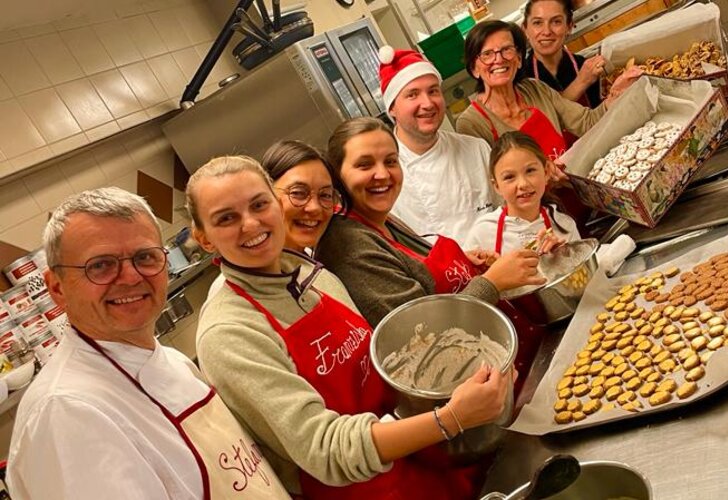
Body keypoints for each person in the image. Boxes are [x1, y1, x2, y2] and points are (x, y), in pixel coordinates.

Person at [188, 154, 513, 500]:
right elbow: (324, 449)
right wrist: (451, 419)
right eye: (226, 218)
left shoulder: (316, 276)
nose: (250, 224)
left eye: (259, 204)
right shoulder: (228, 331)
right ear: (204, 238)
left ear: (275, 202)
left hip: (418, 465)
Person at [7, 187, 289, 499]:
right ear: (56, 288)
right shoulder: (65, 412)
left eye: (145, 257)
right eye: (100, 265)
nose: (130, 277)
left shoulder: (171, 360)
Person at [315, 116, 546, 328]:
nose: (383, 174)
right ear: (337, 175)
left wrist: (464, 264)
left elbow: (415, 274)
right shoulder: (347, 245)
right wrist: (491, 282)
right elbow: (425, 330)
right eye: (364, 165)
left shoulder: (378, 220)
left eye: (391, 161)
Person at [456, 20, 641, 225]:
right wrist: (540, 180)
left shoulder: (535, 89)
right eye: (487, 54)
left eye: (507, 50)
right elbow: (494, 193)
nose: (498, 60)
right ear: (474, 68)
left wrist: (615, 95)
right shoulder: (471, 123)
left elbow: (587, 122)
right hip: (542, 223)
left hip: (582, 198)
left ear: (518, 59)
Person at [377, 46, 499, 244]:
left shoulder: (477, 149)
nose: (427, 103)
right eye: (412, 94)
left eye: (433, 91)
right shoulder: (384, 180)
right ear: (391, 108)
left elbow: (509, 213)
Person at [206, 139, 342, 299]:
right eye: (298, 193)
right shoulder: (231, 293)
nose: (314, 208)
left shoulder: (311, 260)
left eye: (325, 195)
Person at [465, 131, 580, 254]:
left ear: (546, 172)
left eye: (530, 170)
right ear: (496, 186)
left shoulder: (564, 226)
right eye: (509, 177)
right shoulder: (483, 232)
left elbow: (585, 271)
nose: (523, 184)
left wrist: (561, 261)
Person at [522, 0, 605, 108]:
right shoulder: (520, 81)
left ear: (569, 27)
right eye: (537, 23)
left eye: (556, 22)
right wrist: (581, 82)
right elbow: (543, 119)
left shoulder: (586, 67)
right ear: (525, 30)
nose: (546, 31)